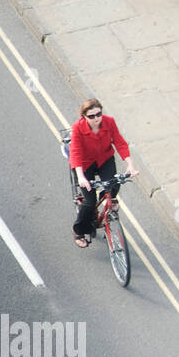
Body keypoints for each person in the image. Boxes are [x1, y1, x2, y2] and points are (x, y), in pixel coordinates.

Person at [69, 98, 137, 247]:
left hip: (104, 159)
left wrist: (130, 165)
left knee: (114, 183)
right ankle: (78, 231)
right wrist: (81, 177)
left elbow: (119, 142)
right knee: (89, 202)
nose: (96, 119)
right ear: (84, 117)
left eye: (98, 114)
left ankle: (109, 197)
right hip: (85, 164)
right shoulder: (78, 128)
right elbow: (75, 153)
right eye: (91, 116)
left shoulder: (109, 122)